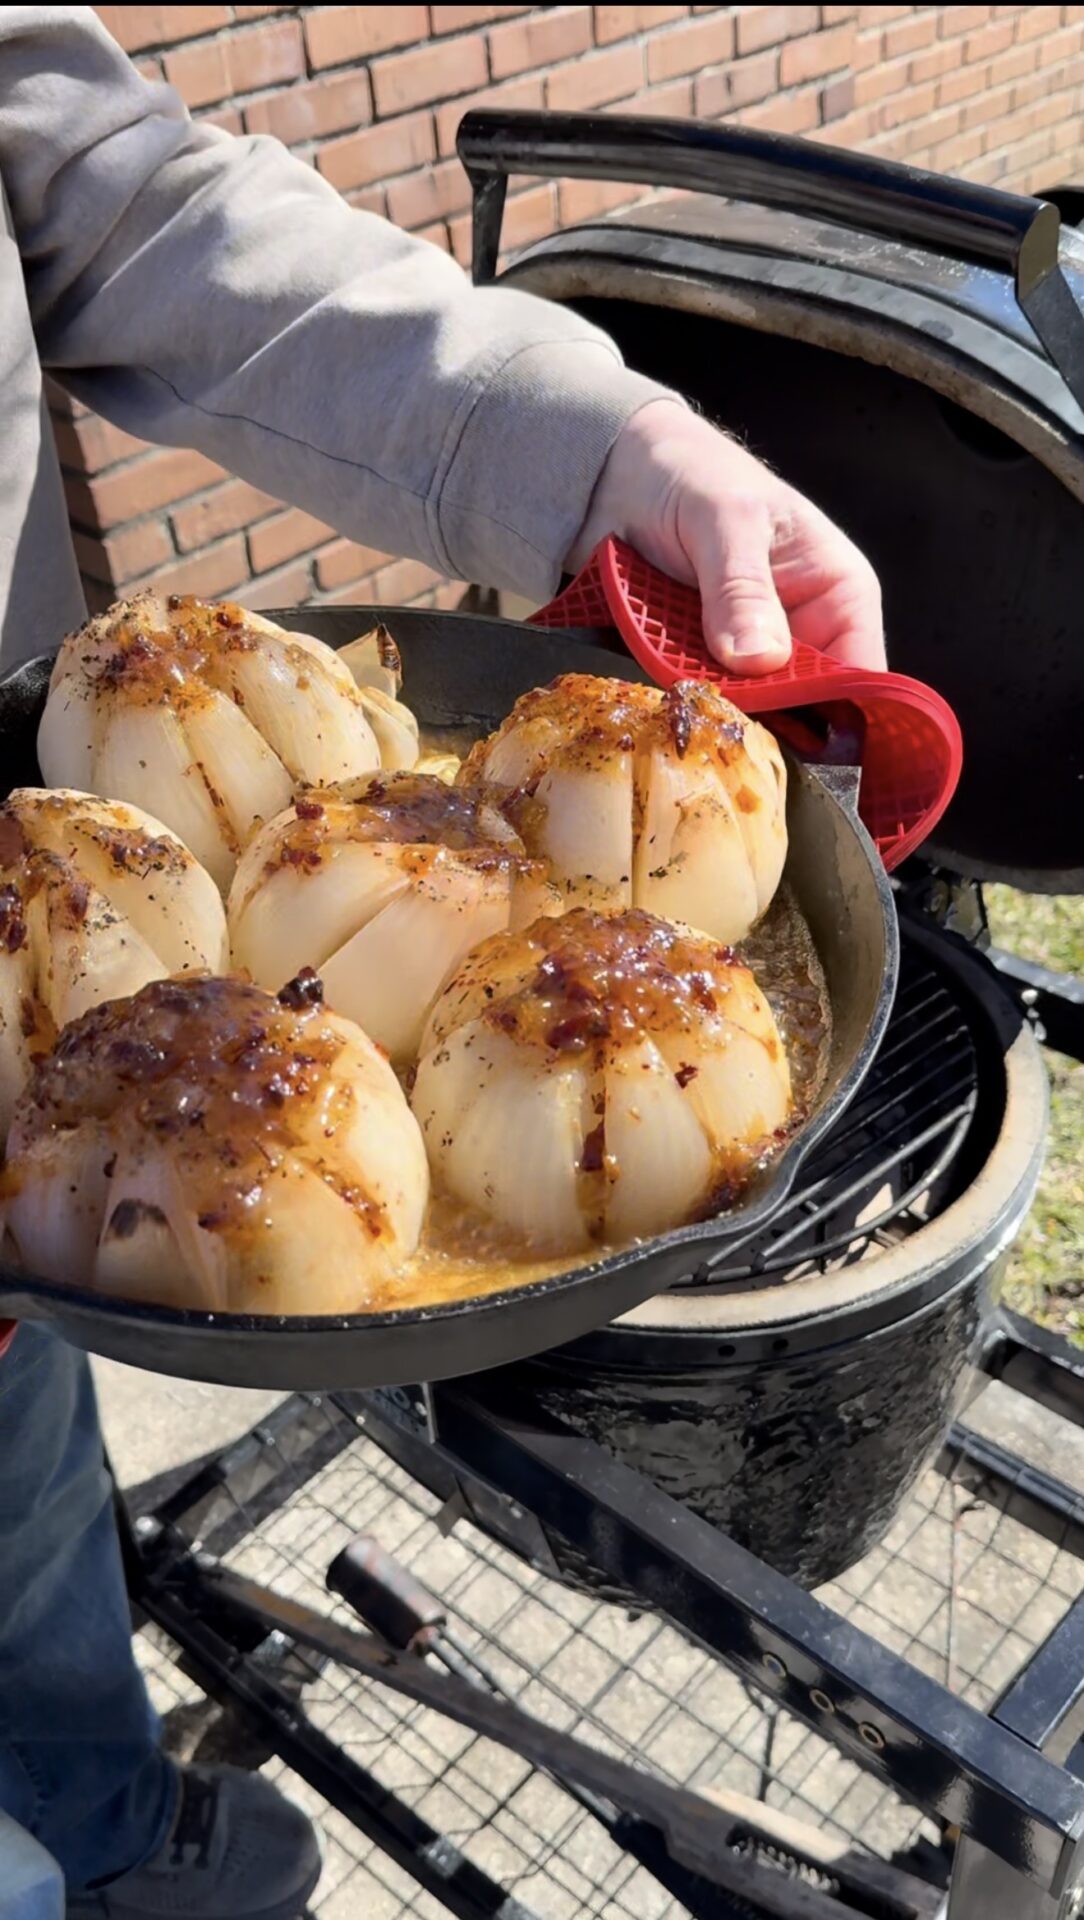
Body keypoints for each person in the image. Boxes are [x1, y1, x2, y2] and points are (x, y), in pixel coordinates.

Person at [0, 8, 885, 1918]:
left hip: (60, 1016)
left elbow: (106, 185)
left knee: (19, 1510)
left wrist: (601, 441)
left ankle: (114, 1832)